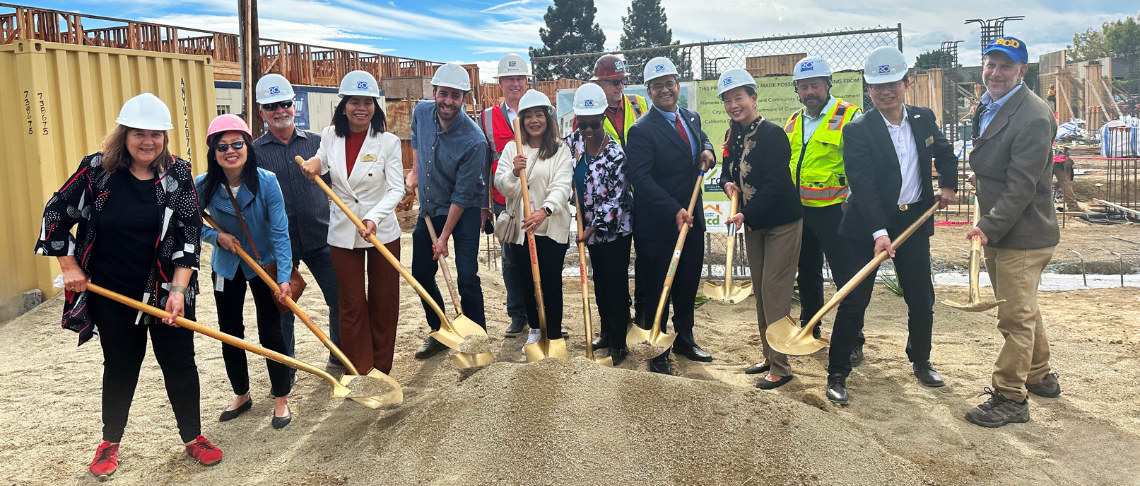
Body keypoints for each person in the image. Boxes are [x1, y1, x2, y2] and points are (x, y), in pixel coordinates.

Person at [35, 93, 221, 478]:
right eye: (139, 133)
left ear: (165, 137)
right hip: (112, 291)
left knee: (180, 364)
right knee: (120, 366)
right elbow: (55, 212)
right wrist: (69, 266)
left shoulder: (178, 174)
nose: (148, 141)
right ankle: (110, 443)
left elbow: (189, 233)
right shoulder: (97, 171)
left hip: (168, 289)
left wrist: (177, 290)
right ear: (124, 134)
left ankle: (193, 437)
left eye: (156, 134)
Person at [825, 47, 958, 405]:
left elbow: (946, 153)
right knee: (854, 300)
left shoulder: (923, 118)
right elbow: (863, 187)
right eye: (876, 86)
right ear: (868, 89)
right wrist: (879, 233)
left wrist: (948, 184)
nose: (885, 92)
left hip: (913, 220)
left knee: (920, 297)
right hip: (865, 227)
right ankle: (837, 372)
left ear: (906, 83)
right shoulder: (858, 130)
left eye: (892, 84)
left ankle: (921, 360)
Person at [964, 37, 1061, 428]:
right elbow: (1002, 162)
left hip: (1022, 233)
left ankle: (1010, 397)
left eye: (1006, 66)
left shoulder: (1033, 116)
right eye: (991, 64)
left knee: (1014, 317)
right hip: (1005, 230)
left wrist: (986, 227)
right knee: (1023, 307)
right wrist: (982, 176)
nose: (995, 73)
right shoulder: (991, 103)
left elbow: (1022, 184)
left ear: (1023, 71)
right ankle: (1039, 375)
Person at [301, 70, 404, 375]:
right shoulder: (331, 134)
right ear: (343, 104)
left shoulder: (388, 141)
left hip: (381, 229)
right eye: (354, 101)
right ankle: (360, 368)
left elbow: (397, 188)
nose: (361, 107)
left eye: (368, 102)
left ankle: (382, 369)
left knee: (384, 300)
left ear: (375, 106)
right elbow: (323, 159)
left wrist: (373, 217)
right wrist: (313, 165)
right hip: (343, 230)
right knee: (351, 302)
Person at [196, 114, 294, 429]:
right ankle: (241, 394)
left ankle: (281, 398)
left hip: (262, 264)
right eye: (222, 146)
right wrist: (216, 237)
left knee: (271, 330)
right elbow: (191, 223)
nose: (230, 151)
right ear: (213, 151)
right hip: (227, 265)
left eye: (237, 143)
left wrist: (283, 277)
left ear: (247, 145)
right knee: (230, 331)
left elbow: (280, 232)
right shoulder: (202, 184)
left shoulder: (266, 181)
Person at [767, 55, 863, 376]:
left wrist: (854, 200)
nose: (810, 91)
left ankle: (853, 339)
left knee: (845, 278)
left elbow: (861, 166)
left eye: (815, 85)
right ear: (797, 90)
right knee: (806, 273)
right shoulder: (793, 121)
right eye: (804, 86)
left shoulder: (849, 115)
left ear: (827, 85)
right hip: (801, 213)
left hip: (837, 213)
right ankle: (811, 327)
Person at [625, 57, 717, 374]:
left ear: (677, 86)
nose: (665, 89)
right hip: (659, 223)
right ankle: (658, 348)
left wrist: (708, 150)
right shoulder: (641, 130)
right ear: (649, 92)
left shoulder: (690, 117)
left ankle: (685, 338)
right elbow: (641, 179)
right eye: (657, 86)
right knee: (657, 286)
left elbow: (701, 140)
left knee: (687, 281)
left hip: (692, 218)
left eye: (669, 83)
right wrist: (673, 209)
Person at [716, 69, 804, 389]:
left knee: (774, 293)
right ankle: (769, 355)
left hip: (782, 224)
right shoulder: (733, 137)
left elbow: (776, 185)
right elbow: (725, 172)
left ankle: (781, 367)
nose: (733, 104)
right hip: (753, 226)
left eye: (739, 97)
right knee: (761, 293)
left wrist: (744, 213)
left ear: (753, 98)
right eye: (728, 100)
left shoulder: (773, 134)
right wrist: (727, 183)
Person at [251, 73, 342, 370]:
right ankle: (286, 369)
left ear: (294, 105)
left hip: (322, 237)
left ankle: (337, 358)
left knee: (340, 301)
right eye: (272, 106)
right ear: (261, 111)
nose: (280, 111)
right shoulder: (253, 154)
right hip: (279, 245)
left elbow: (341, 188)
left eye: (285, 103)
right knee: (283, 308)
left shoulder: (318, 144)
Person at [405, 62, 490, 359]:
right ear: (434, 93)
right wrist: (415, 171)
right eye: (444, 94)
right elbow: (416, 137)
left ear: (464, 99)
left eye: (456, 96)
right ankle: (440, 330)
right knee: (421, 274)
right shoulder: (421, 112)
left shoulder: (474, 140)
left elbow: (463, 194)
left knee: (466, 275)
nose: (448, 101)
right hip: (429, 206)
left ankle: (478, 337)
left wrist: (442, 238)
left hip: (461, 210)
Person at [494, 90, 574, 347]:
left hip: (550, 227)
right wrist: (515, 173)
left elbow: (562, 186)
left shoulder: (560, 150)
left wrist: (544, 211)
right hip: (522, 230)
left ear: (547, 118)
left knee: (551, 283)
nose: (534, 120)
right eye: (528, 116)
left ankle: (553, 331)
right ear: (521, 121)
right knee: (527, 282)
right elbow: (503, 187)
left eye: (539, 114)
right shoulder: (512, 149)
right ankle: (535, 328)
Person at [564, 83, 635, 365]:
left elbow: (616, 201)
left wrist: (589, 231)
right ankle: (606, 332)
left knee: (615, 284)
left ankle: (618, 343)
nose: (589, 129)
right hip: (587, 229)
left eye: (594, 123)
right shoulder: (573, 144)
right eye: (584, 123)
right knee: (599, 283)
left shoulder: (616, 154)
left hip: (614, 229)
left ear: (604, 117)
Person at [586, 53, 650, 351]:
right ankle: (611, 327)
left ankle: (639, 321)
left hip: (642, 195)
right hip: (611, 207)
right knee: (608, 273)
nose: (618, 87)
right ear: (599, 83)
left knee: (645, 263)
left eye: (621, 81)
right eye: (612, 82)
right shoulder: (588, 114)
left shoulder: (638, 104)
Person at [479, 53, 531, 338]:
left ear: (526, 81)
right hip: (505, 202)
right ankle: (518, 314)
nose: (515, 84)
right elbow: (483, 164)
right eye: (509, 79)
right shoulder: (487, 118)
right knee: (511, 257)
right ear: (500, 82)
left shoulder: (538, 109)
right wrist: (484, 206)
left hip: (536, 199)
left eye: (519, 78)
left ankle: (544, 311)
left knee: (541, 255)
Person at [1052, 146, 1080, 212]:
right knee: (1066, 184)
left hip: (1056, 160)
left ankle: (1073, 206)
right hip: (1056, 160)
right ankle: (1073, 206)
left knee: (1065, 184)